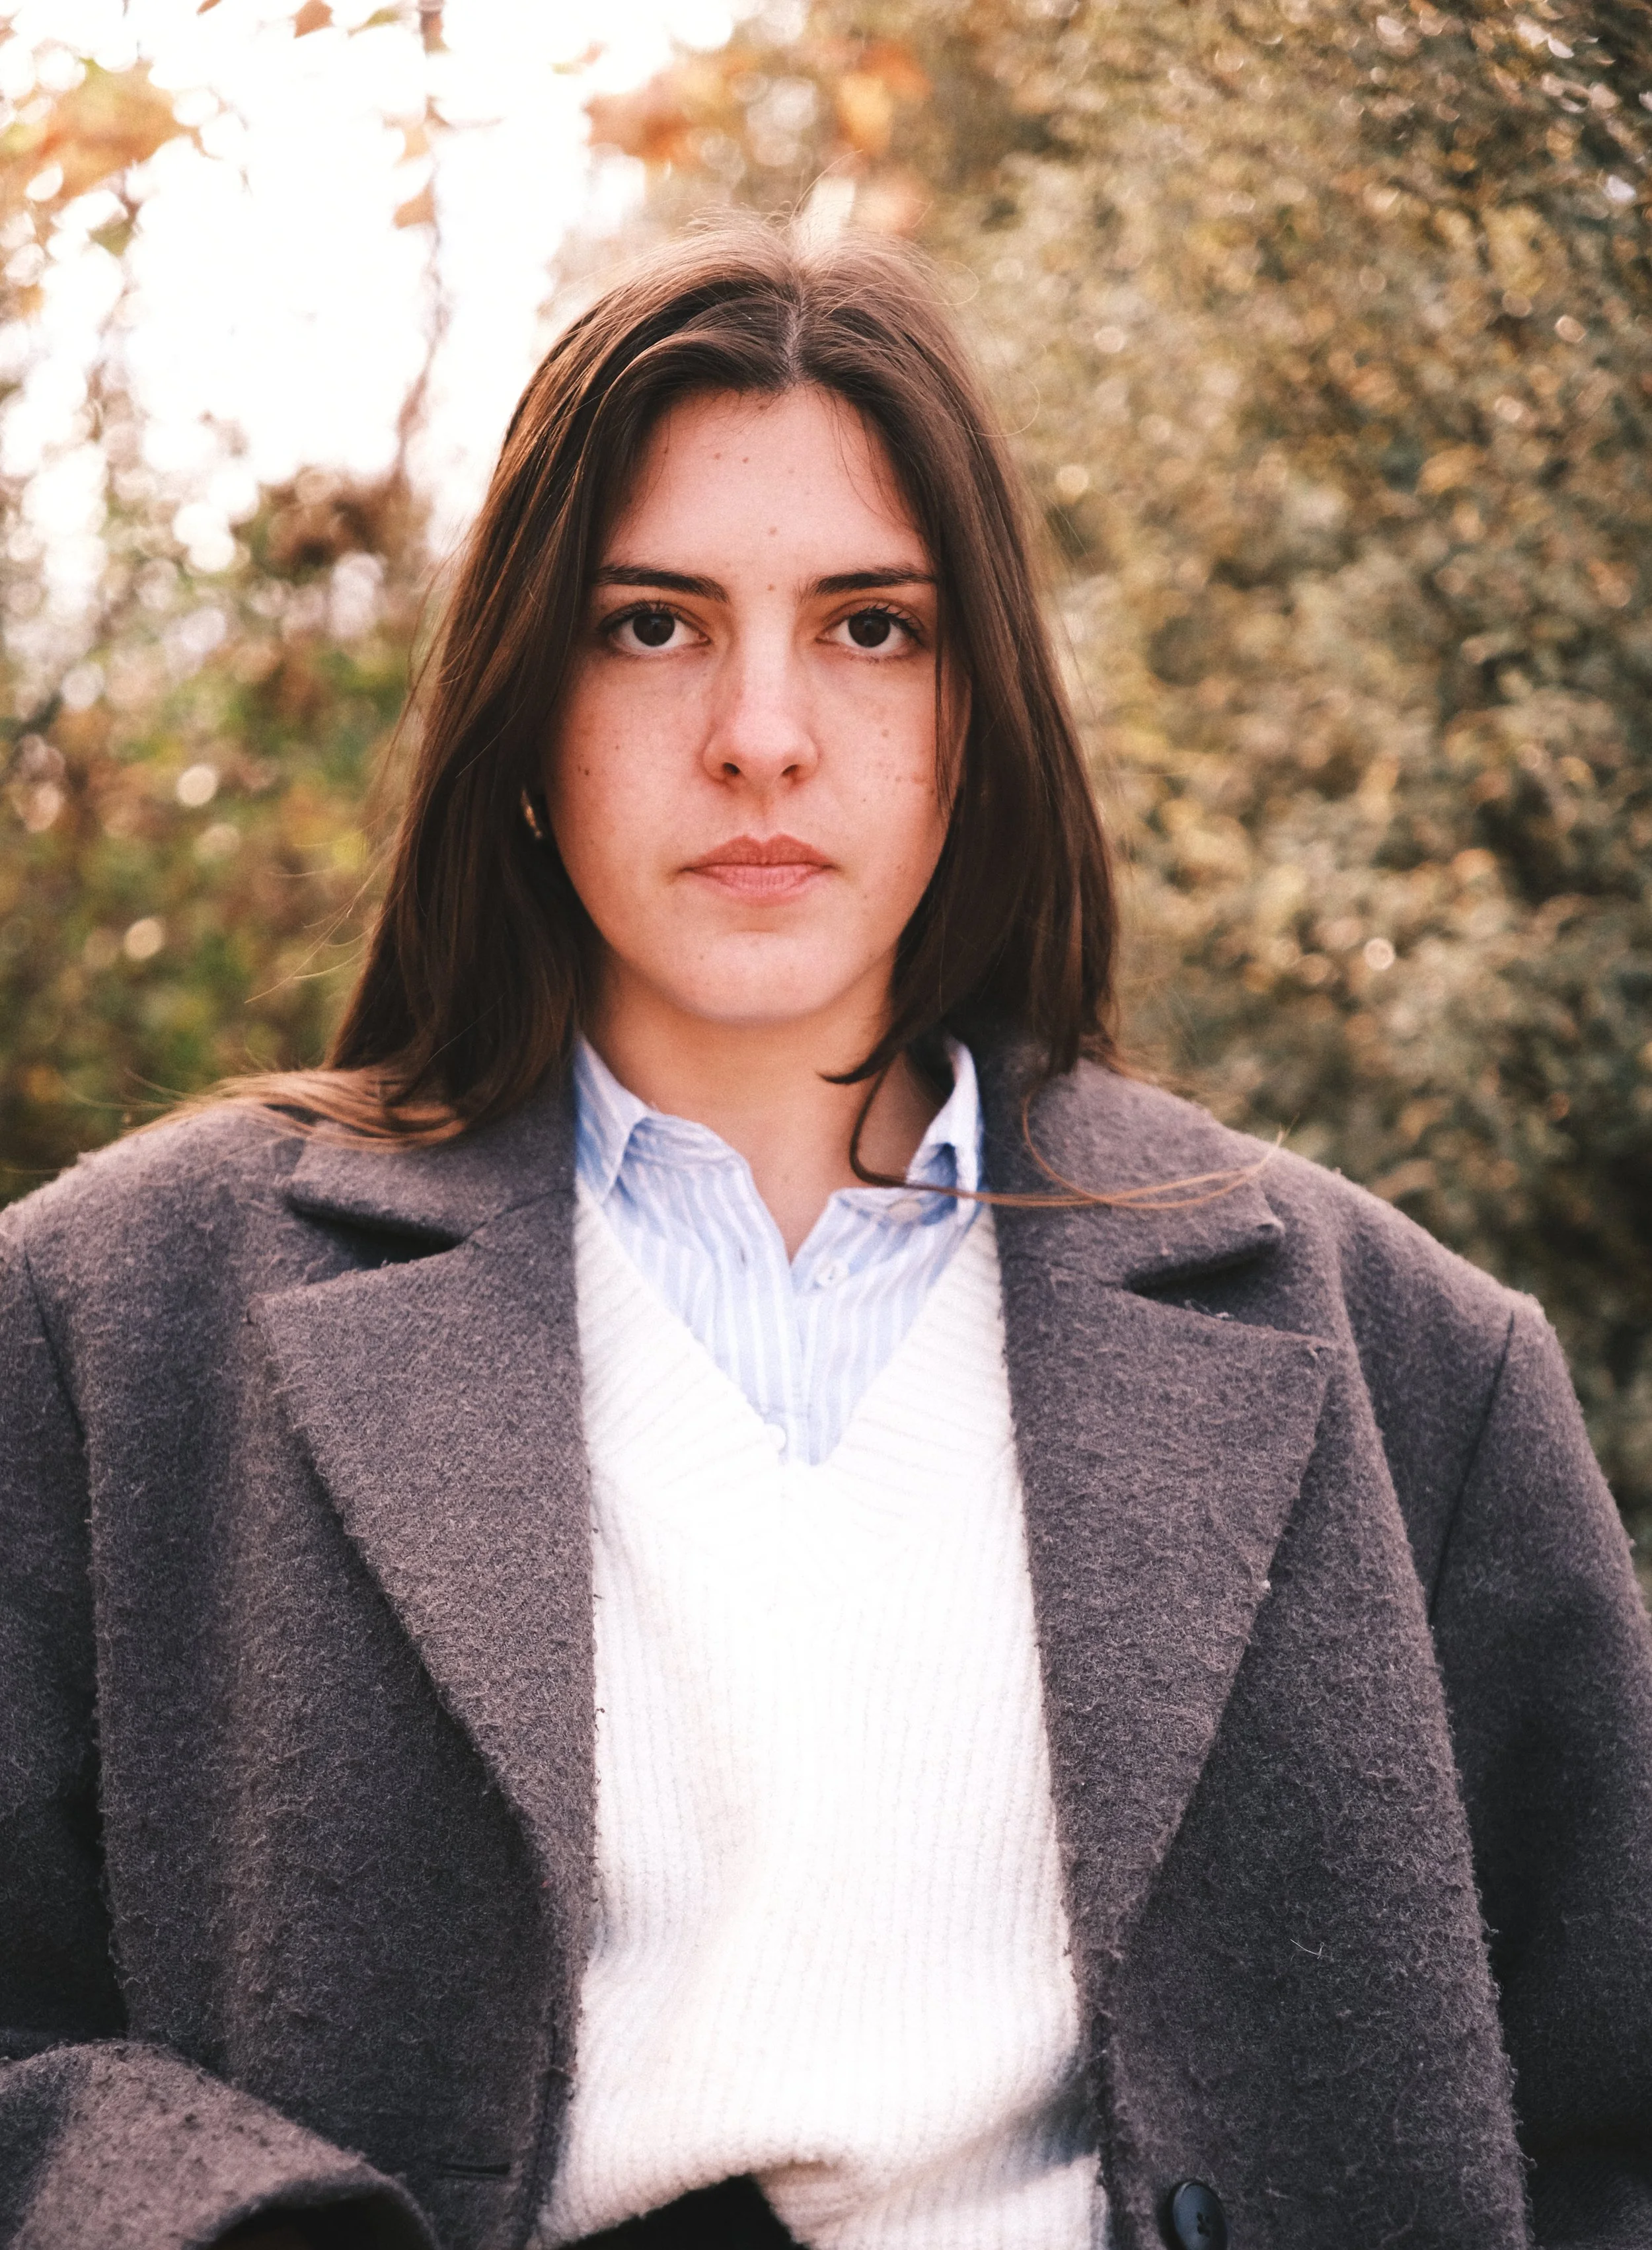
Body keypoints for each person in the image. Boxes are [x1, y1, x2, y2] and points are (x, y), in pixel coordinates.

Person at [1, 220, 1649, 2250]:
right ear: (520, 696)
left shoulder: (1402, 1361)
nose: (762, 733)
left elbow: (1608, 2117)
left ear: (983, 701)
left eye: (871, 625)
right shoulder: (116, 1318)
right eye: (650, 623)